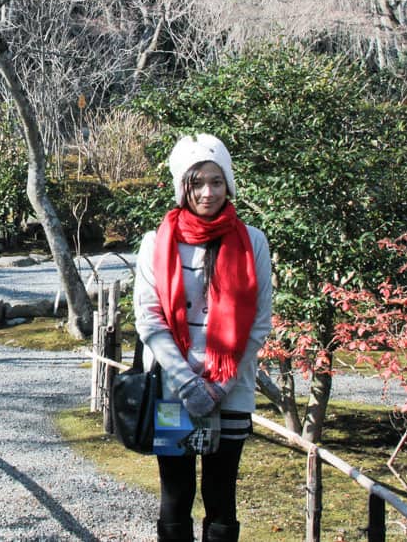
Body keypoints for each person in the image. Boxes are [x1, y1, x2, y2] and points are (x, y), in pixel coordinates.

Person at [133, 133, 273, 542]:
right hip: (174, 387)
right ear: (182, 187)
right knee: (175, 493)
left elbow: (258, 323)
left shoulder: (253, 242)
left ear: (229, 183)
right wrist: (189, 382)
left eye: (216, 181)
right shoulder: (157, 243)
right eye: (196, 183)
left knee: (221, 493)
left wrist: (218, 384)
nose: (208, 192)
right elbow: (150, 318)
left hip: (231, 386)